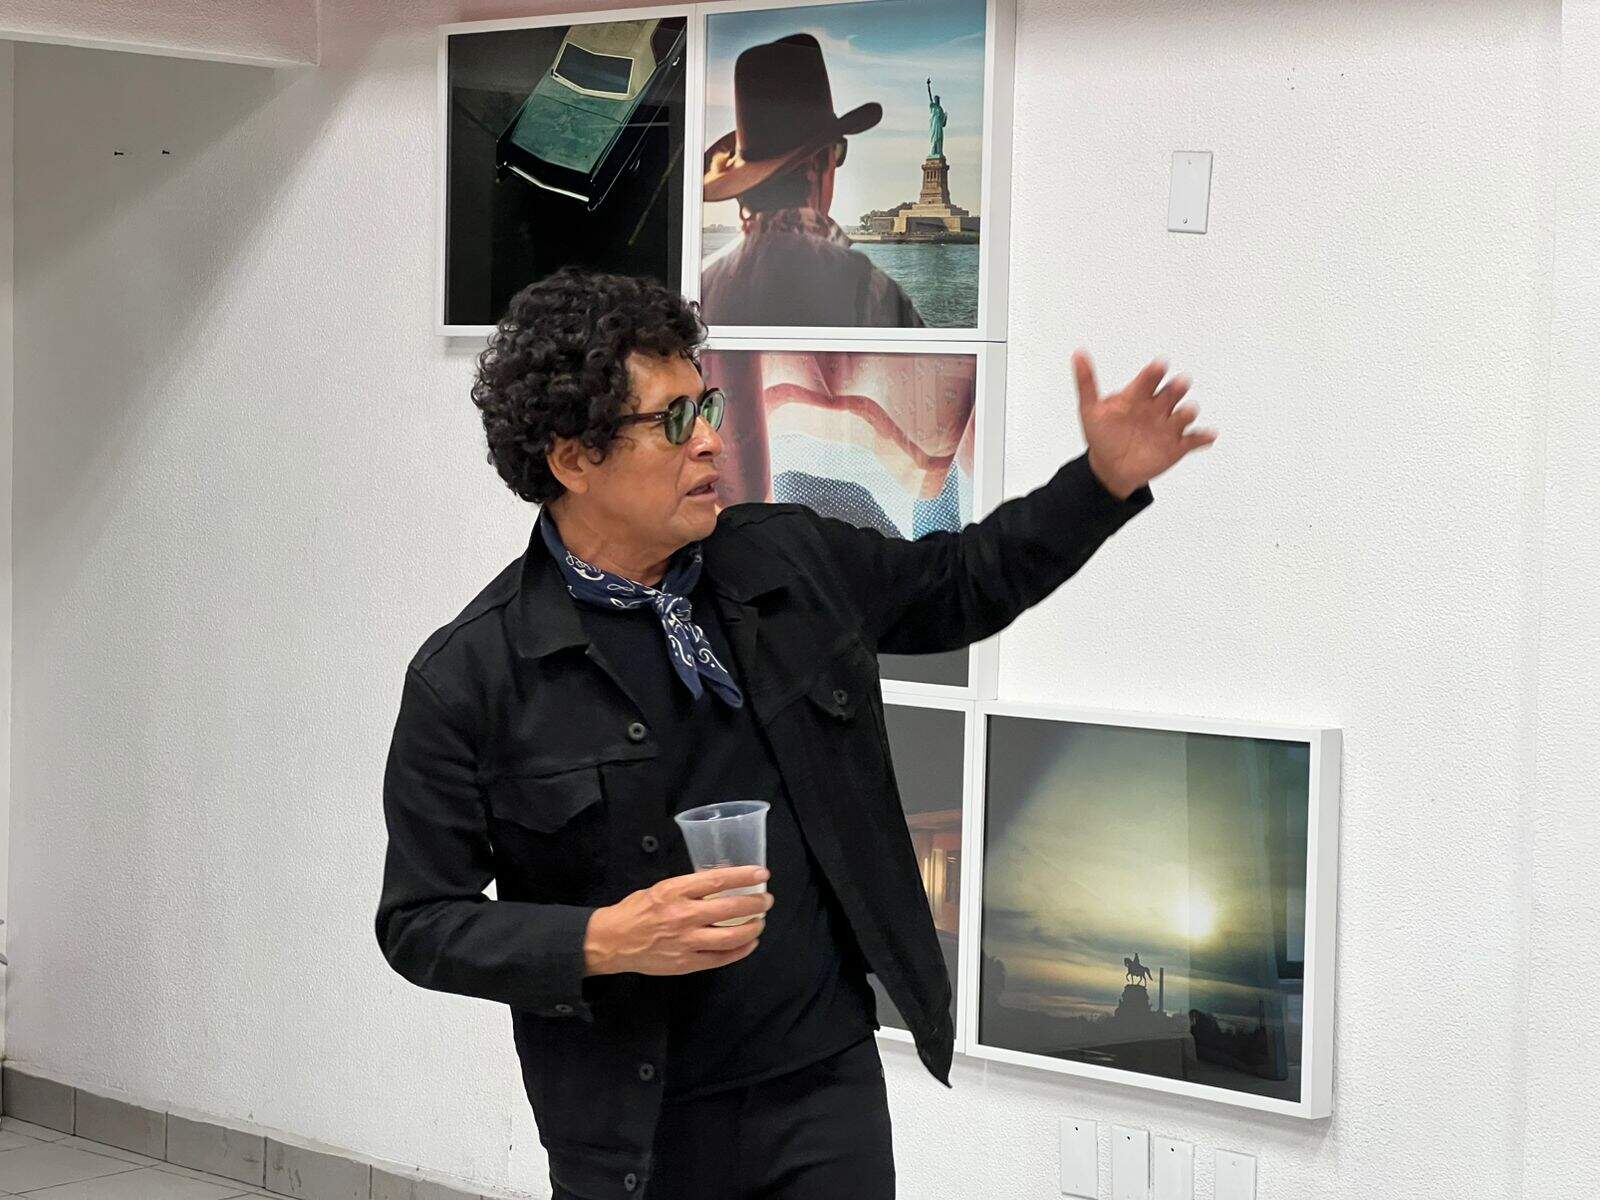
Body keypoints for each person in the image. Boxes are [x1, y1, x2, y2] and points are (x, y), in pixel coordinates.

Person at [374, 267, 1215, 1200]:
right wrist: (603, 939)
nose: (711, 440)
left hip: (822, 1089)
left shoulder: (787, 559)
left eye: (708, 405)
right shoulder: (472, 675)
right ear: (573, 459)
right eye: (674, 421)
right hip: (631, 1134)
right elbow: (422, 923)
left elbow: (961, 583)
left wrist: (1099, 484)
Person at [699, 33, 924, 328]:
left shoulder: (701, 285)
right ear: (817, 163)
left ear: (746, 181)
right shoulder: (871, 291)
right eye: (838, 152)